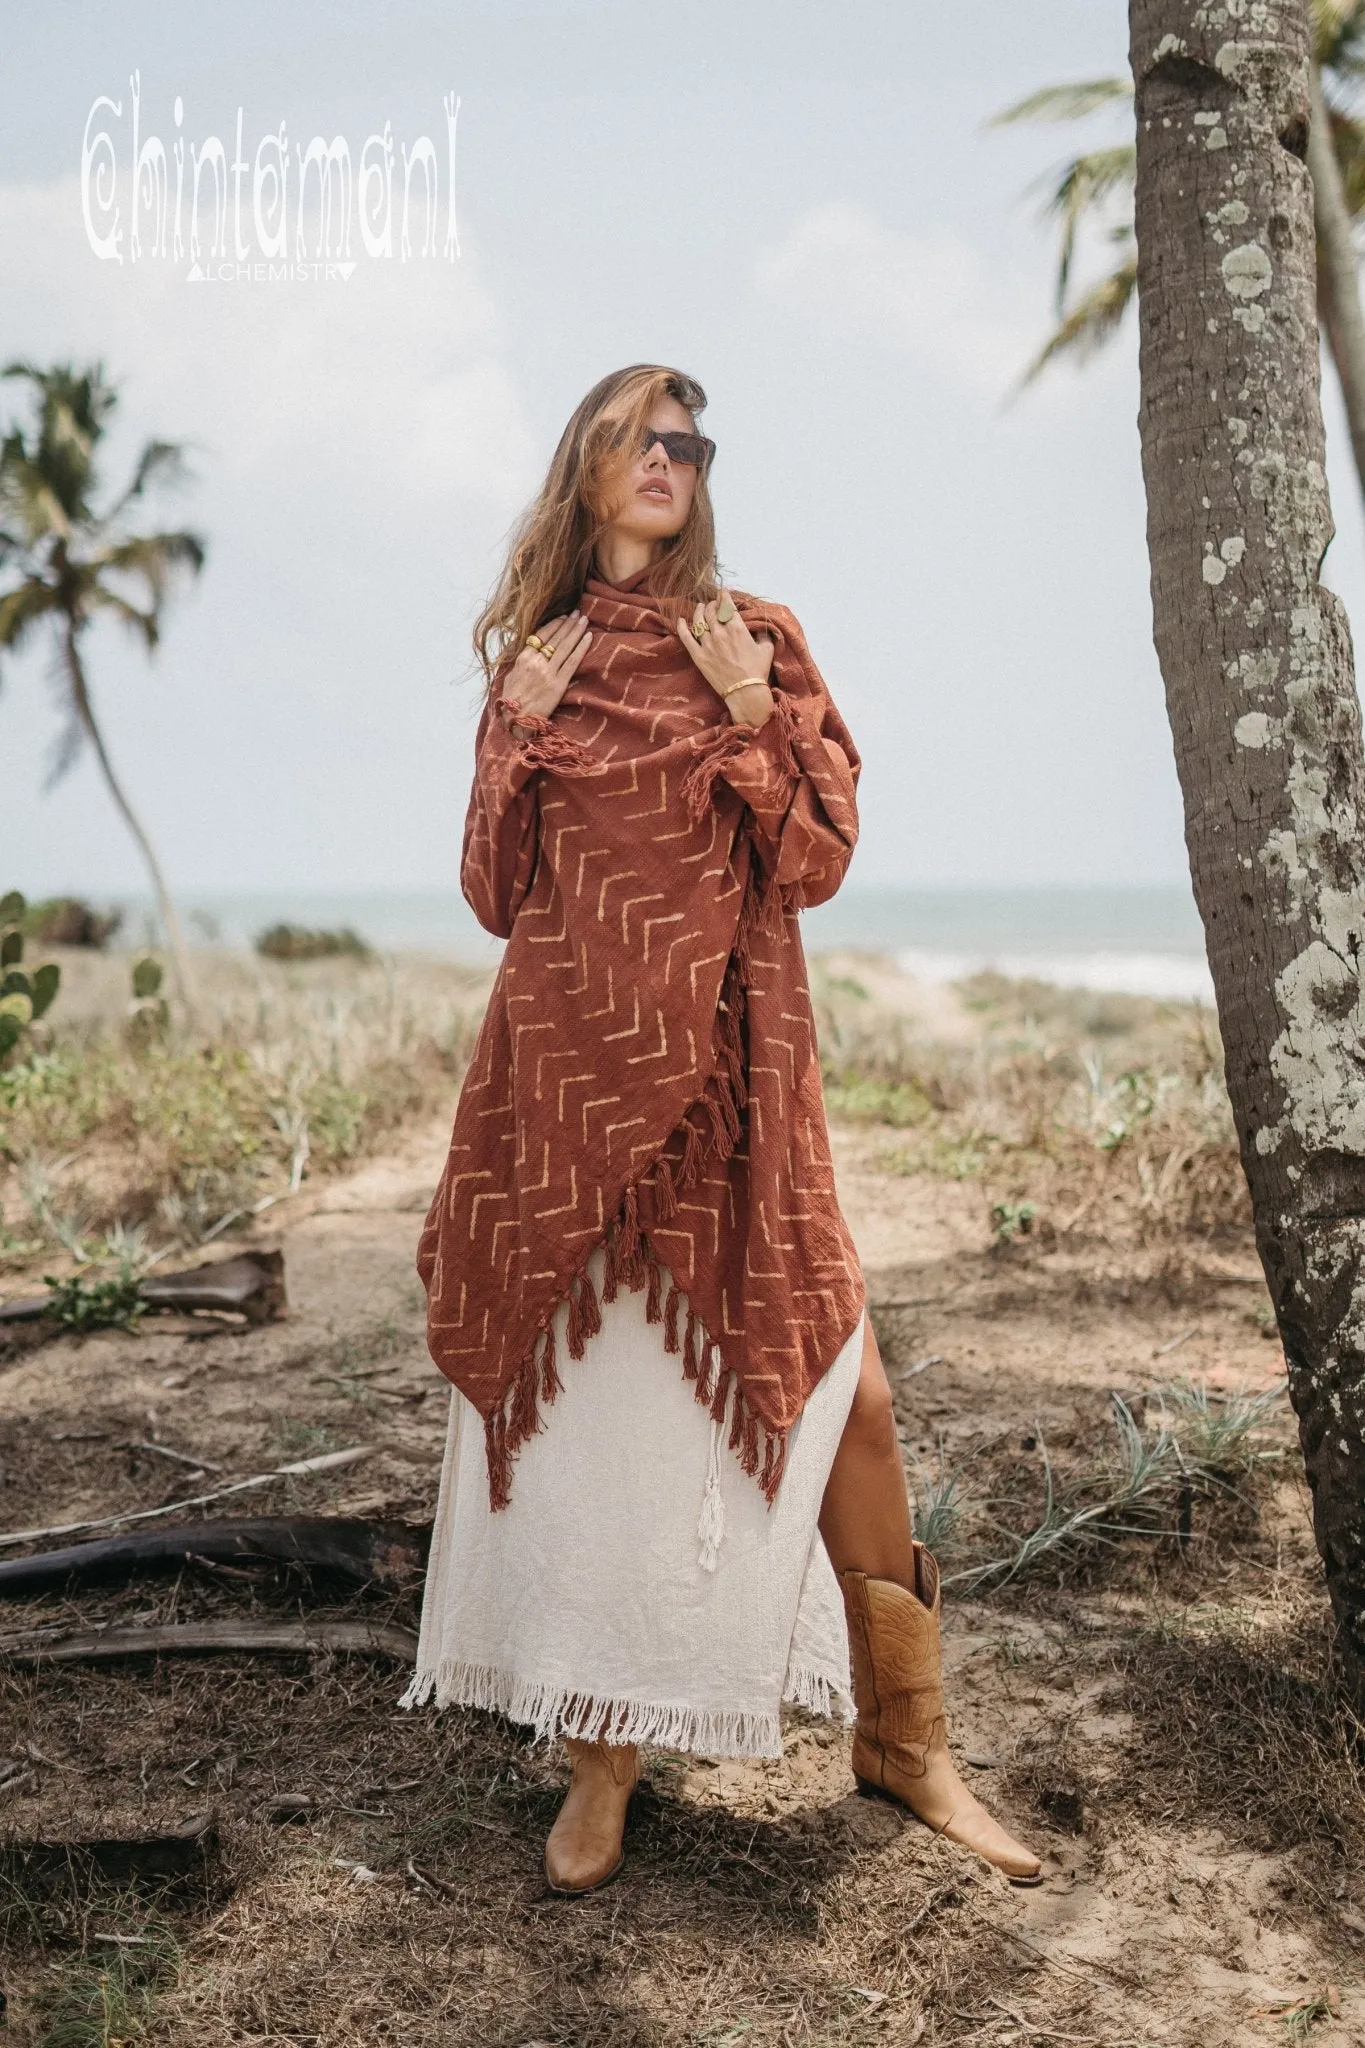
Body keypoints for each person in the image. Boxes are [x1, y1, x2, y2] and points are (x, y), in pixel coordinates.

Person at [402, 364, 1040, 1894]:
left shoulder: (760, 642)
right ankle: (603, 1766)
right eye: (642, 437)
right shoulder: (536, 663)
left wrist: (753, 712)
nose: (671, 462)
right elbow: (497, 894)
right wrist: (519, 732)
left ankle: (908, 1746)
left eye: (692, 443)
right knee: (610, 1430)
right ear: (590, 464)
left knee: (851, 1395)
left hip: (741, 1089)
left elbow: (816, 856)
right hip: (563, 1095)